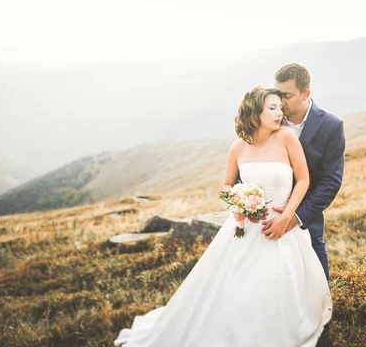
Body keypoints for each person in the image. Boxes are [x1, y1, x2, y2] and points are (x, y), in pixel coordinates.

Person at [114, 86, 331, 347]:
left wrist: (288, 215)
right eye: (271, 108)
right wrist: (238, 204)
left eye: (280, 107)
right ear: (254, 111)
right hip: (245, 228)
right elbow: (227, 186)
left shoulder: (286, 137)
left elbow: (304, 179)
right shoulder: (238, 147)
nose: (279, 113)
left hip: (283, 227)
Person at [264, 63, 345, 281]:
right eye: (277, 95)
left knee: (318, 289)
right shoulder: (268, 121)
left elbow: (331, 181)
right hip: (265, 222)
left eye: (286, 96)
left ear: (305, 93)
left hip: (307, 222)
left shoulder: (332, 126)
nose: (280, 102)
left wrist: (294, 217)